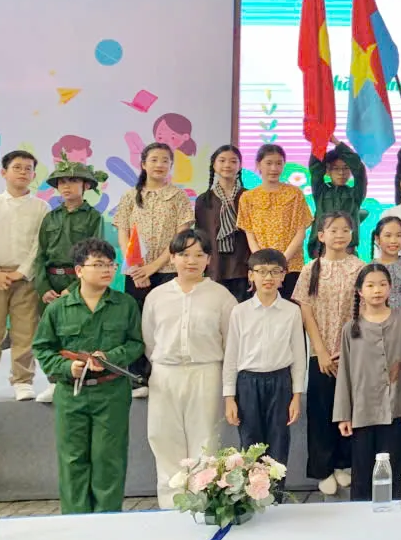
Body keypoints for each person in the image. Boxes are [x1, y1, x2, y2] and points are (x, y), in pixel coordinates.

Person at [32, 238, 143, 513]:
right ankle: (76, 522)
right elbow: (43, 348)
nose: (107, 270)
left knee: (109, 459)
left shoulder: (125, 304)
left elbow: (136, 344)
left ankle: (107, 520)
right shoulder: (58, 308)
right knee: (73, 460)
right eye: (99, 264)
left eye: (111, 265)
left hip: (111, 393)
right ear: (79, 270)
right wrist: (66, 368)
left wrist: (110, 357)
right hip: (72, 394)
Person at [141, 229, 232, 508]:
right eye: (183, 254)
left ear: (209, 260)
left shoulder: (221, 296)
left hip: (206, 372)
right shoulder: (156, 296)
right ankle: (172, 504)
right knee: (163, 436)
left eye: (199, 255)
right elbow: (149, 339)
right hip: (165, 373)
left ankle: (204, 503)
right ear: (172, 258)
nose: (191, 261)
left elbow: (230, 340)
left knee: (206, 438)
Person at [334, 264, 401, 500]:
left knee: (396, 465)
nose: (377, 290)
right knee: (362, 471)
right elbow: (344, 374)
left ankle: (396, 513)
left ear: (390, 288)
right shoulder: (350, 328)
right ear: (360, 291)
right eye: (370, 285)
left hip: (396, 406)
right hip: (362, 410)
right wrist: (344, 414)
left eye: (383, 284)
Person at [293, 212, 366, 495]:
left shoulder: (361, 268)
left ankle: (343, 463)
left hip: (352, 352)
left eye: (345, 230)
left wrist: (349, 351)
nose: (340, 235)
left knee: (349, 409)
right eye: (333, 230)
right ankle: (322, 469)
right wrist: (321, 351)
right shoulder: (310, 269)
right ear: (321, 236)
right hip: (320, 353)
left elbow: (365, 311)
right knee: (321, 410)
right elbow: (306, 311)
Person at [223, 248, 305, 492]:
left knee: (279, 442)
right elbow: (231, 356)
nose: (268, 277)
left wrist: (297, 396)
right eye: (261, 271)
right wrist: (229, 397)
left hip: (280, 382)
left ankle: (276, 498)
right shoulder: (239, 312)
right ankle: (253, 497)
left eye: (275, 271)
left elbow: (298, 356)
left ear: (283, 276)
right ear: (251, 275)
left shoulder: (292, 311)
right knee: (250, 443)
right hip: (248, 383)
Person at [30, 157, 108, 405]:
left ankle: (81, 378)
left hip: (78, 282)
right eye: (62, 182)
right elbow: (40, 254)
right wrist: (43, 287)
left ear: (86, 186)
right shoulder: (50, 217)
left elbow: (95, 255)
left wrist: (74, 288)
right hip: (50, 283)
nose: (66, 186)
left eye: (73, 181)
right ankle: (55, 381)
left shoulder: (93, 217)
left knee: (77, 333)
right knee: (51, 334)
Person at [114, 142, 195, 308]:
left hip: (169, 270)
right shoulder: (130, 196)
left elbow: (180, 238)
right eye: (154, 160)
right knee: (137, 316)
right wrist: (136, 269)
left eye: (165, 161)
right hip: (136, 272)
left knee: (168, 316)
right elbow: (123, 234)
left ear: (171, 165)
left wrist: (152, 267)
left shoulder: (179, 196)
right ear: (144, 164)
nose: (159, 165)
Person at [237, 144, 313, 301]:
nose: (274, 168)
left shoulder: (295, 194)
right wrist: (264, 263)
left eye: (279, 163)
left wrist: (281, 261)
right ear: (258, 165)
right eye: (269, 163)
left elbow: (300, 231)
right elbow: (249, 234)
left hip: (291, 265)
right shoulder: (247, 197)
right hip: (261, 269)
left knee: (292, 308)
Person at [193, 145, 251, 302]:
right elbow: (201, 236)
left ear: (240, 166)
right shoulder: (203, 200)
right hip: (215, 266)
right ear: (214, 165)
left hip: (243, 266)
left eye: (233, 161)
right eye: (222, 160)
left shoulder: (249, 197)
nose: (227, 165)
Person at [309, 140, 367, 255]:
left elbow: (359, 170)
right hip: (322, 252)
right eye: (336, 168)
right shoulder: (321, 191)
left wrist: (337, 143)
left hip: (348, 252)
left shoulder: (355, 194)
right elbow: (315, 168)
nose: (341, 173)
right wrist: (321, 140)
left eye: (346, 168)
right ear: (327, 170)